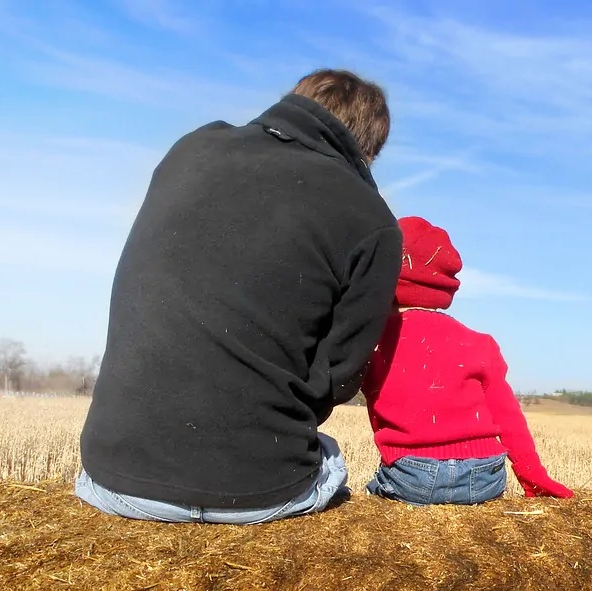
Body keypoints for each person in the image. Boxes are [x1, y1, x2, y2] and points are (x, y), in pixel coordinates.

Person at [75, 69, 403, 524]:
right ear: (367, 150)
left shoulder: (191, 148)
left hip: (109, 478)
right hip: (256, 491)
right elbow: (339, 376)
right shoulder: (374, 220)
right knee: (330, 457)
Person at [361, 216, 574, 505]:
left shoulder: (374, 342)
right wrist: (532, 474)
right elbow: (507, 415)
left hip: (413, 474)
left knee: (368, 492)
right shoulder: (479, 343)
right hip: (487, 474)